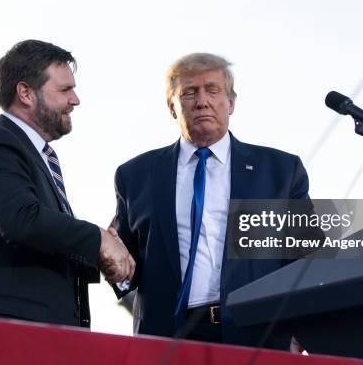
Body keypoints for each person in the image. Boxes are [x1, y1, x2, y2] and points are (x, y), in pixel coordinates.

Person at [111, 53, 310, 348]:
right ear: (172, 107)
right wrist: (114, 265)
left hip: (257, 336)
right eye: (189, 93)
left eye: (212, 90)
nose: (202, 101)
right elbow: (124, 257)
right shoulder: (136, 175)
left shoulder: (280, 171)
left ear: (230, 103)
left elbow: (304, 258)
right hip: (165, 338)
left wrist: (302, 327)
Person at [0, 39, 133, 327]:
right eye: (65, 90)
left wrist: (105, 257)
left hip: (36, 336)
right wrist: (99, 240)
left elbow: (45, 242)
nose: (75, 100)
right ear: (26, 93)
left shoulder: (36, 154)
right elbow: (21, 220)